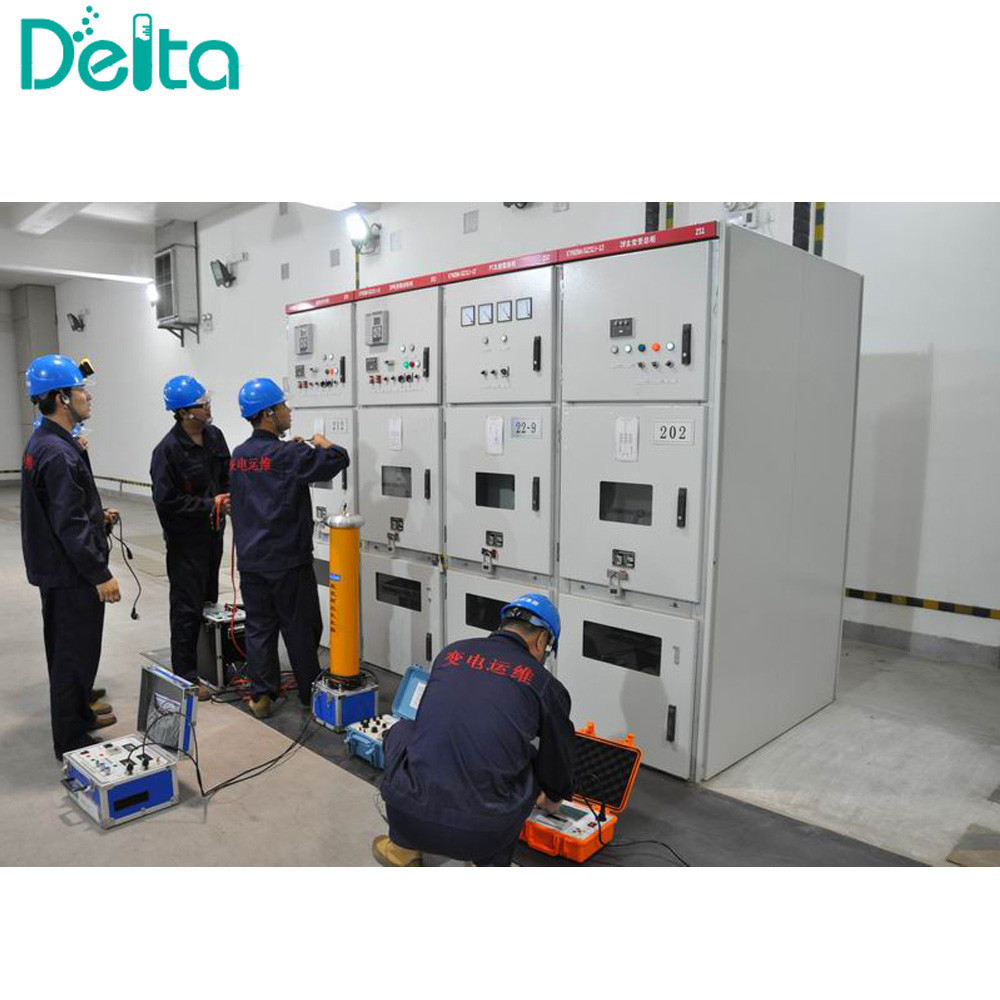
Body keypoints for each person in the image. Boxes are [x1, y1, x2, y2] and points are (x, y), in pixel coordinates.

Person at [374, 594, 575, 867]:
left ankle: (401, 848)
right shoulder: (543, 683)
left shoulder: (450, 654)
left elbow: (430, 727)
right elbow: (558, 756)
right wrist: (553, 796)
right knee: (530, 757)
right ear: (542, 641)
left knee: (403, 730)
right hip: (483, 835)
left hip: (406, 815)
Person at [229, 378, 350, 719]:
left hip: (251, 560)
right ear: (269, 413)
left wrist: (296, 451)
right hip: (287, 560)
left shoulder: (239, 456)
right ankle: (310, 693)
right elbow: (338, 459)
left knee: (259, 628)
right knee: (300, 627)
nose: (288, 410)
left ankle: (261, 695)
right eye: (283, 406)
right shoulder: (288, 454)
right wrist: (323, 444)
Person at [20, 355, 121, 761]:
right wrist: (100, 574)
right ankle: (71, 740)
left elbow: (65, 509)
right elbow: (69, 524)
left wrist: (98, 517)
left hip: (57, 568)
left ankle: (80, 714)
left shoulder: (46, 444)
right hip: (71, 573)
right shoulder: (58, 453)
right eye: (81, 390)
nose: (88, 397)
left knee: (74, 652)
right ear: (62, 398)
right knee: (72, 657)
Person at [150, 376, 231, 699]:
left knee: (209, 600)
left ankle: (211, 665)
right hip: (185, 541)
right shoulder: (167, 451)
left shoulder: (215, 436)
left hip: (214, 534)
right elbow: (166, 502)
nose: (208, 407)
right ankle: (185, 675)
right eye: (202, 404)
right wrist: (209, 505)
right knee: (186, 607)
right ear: (184, 412)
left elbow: (226, 476)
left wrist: (229, 498)